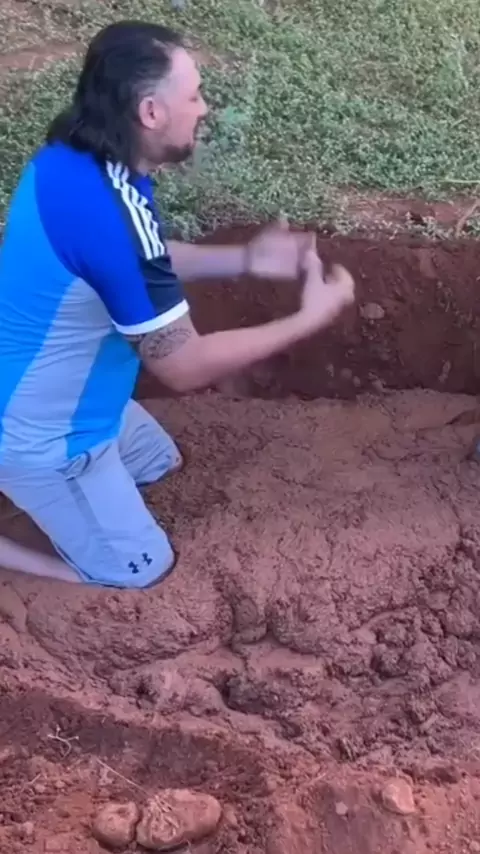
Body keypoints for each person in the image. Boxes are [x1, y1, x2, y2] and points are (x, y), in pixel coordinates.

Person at [0, 21, 355, 588]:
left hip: (67, 398)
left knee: (158, 462)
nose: (204, 108)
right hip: (44, 438)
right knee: (138, 576)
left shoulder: (76, 159)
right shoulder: (108, 217)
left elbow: (141, 260)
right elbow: (182, 366)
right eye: (194, 95)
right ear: (150, 112)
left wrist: (244, 259)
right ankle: (59, 566)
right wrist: (309, 317)